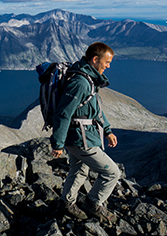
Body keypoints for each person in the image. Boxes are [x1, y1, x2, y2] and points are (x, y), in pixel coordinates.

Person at [50, 42, 121, 224]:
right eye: (107, 62)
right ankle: (93, 203)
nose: (108, 66)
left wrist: (107, 130)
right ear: (95, 59)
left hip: (81, 137)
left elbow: (95, 109)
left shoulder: (89, 79)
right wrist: (57, 143)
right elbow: (63, 113)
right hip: (81, 139)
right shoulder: (81, 82)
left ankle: (66, 203)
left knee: (79, 169)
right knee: (112, 173)